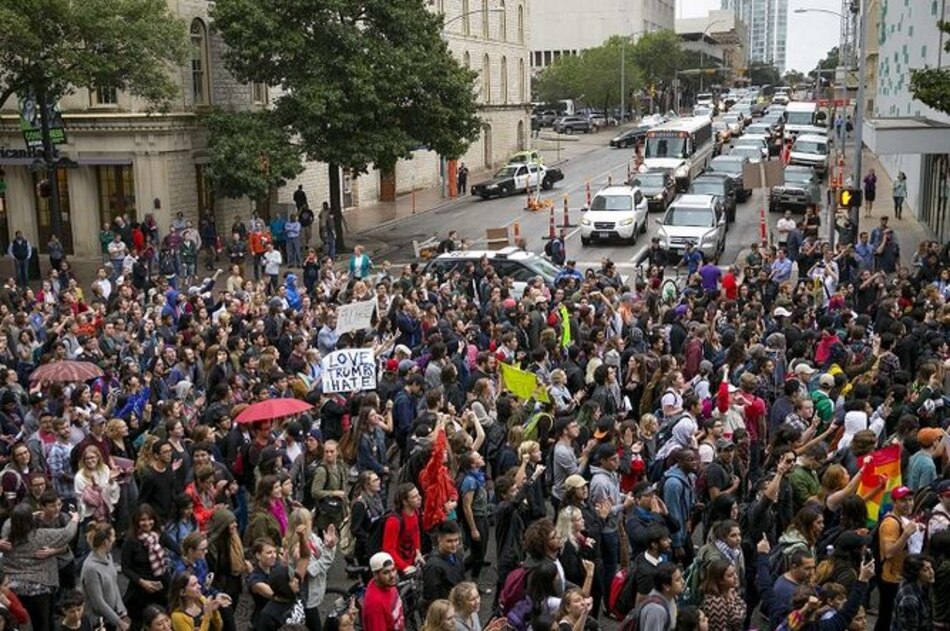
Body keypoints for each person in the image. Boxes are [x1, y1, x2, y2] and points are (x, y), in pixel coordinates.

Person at [80, 522, 130, 631]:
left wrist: (121, 610)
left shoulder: (108, 557)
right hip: (99, 622)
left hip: (111, 617)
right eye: (113, 536)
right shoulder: (91, 568)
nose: (115, 539)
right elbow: (98, 603)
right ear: (106, 542)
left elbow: (114, 584)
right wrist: (119, 622)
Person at [422, 520, 466, 610]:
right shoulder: (433, 566)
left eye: (456, 540)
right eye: (449, 541)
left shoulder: (457, 555)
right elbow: (431, 598)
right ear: (439, 540)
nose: (454, 545)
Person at [362, 552, 405, 631]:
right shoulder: (374, 604)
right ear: (375, 575)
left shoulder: (389, 584)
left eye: (393, 570)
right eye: (386, 572)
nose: (392, 575)